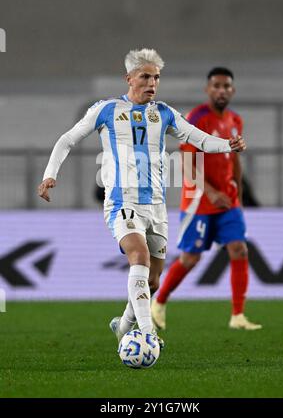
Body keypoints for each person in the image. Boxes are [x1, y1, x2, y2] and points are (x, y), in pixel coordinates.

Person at [38, 52, 246, 349]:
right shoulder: (107, 109)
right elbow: (68, 139)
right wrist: (50, 175)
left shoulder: (164, 113)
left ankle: (122, 326)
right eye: (146, 77)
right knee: (139, 256)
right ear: (130, 79)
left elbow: (198, 138)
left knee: (152, 281)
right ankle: (147, 335)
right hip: (122, 203)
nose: (152, 83)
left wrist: (229, 144)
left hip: (156, 207)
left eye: (157, 77)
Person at [151, 67, 262, 331]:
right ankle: (159, 302)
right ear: (208, 89)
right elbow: (187, 163)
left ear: (232, 91)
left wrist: (239, 195)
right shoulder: (196, 118)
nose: (221, 91)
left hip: (229, 202)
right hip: (200, 202)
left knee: (239, 250)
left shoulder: (235, 120)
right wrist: (212, 192)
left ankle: (237, 316)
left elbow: (234, 158)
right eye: (216, 86)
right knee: (191, 258)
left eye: (226, 86)